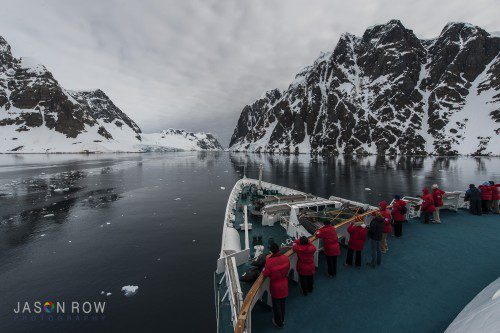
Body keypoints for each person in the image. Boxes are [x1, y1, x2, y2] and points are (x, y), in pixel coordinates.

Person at [262, 242, 290, 328]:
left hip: (275, 286)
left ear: (271, 251)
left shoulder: (269, 262)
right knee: (282, 303)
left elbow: (265, 273)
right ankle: (283, 319)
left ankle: (278, 322)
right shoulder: (285, 258)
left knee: (276, 305)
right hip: (284, 284)